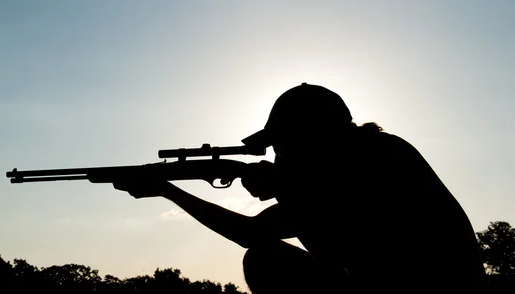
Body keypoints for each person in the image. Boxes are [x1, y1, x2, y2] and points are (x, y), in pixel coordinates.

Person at [112, 83, 487, 292]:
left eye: (283, 143)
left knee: (264, 259)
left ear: (311, 136)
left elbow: (251, 233)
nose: (278, 154)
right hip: (408, 292)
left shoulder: (368, 160)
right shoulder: (377, 151)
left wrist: (167, 190)